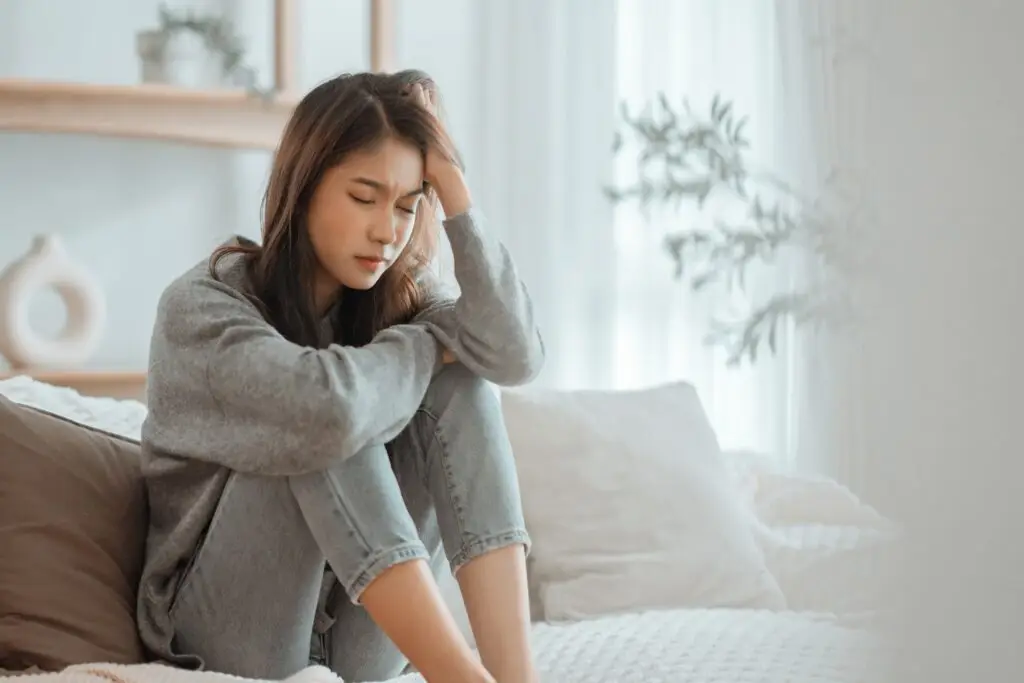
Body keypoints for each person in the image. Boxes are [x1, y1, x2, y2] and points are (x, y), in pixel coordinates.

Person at [135, 70, 545, 683]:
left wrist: (455, 190)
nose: (388, 230)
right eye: (364, 197)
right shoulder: (203, 304)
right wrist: (428, 346)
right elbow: (325, 411)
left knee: (462, 388)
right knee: (325, 413)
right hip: (229, 630)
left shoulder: (399, 300)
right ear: (303, 188)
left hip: (356, 639)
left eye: (409, 205)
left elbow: (513, 354)